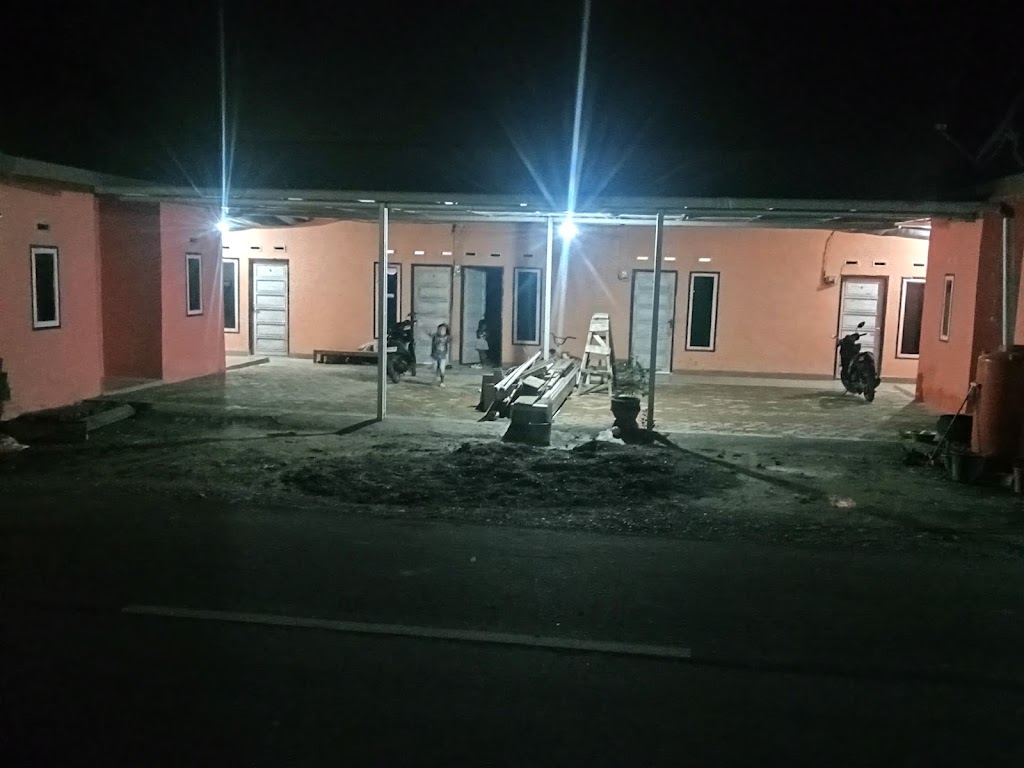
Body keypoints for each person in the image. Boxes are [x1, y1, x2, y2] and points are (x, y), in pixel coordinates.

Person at [430, 323, 452, 387]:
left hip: (443, 355)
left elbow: (451, 339)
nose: (441, 331)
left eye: (443, 330)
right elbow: (430, 335)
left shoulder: (447, 337)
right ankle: (437, 377)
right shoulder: (435, 336)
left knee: (442, 368)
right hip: (435, 355)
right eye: (439, 330)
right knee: (435, 367)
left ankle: (442, 381)